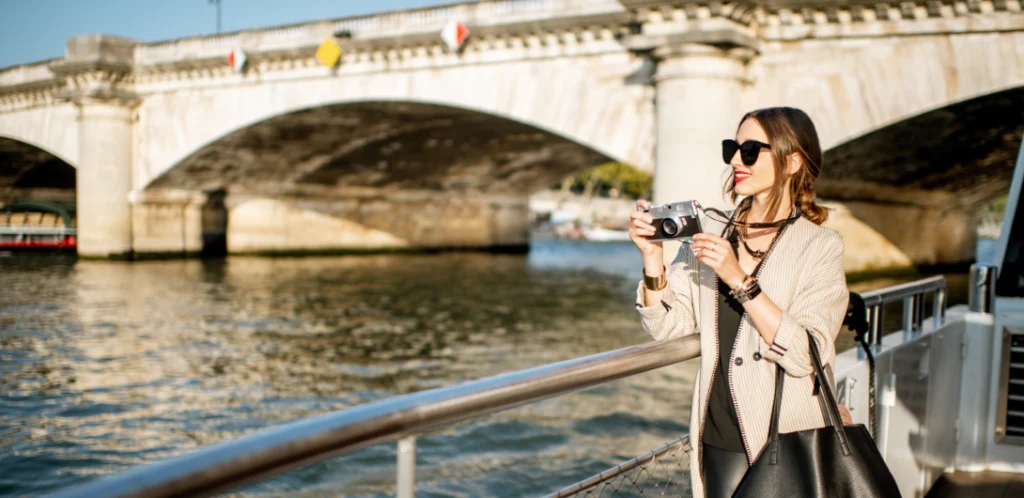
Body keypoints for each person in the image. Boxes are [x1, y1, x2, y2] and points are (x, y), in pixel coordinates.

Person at [629, 107, 850, 498]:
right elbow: (667, 327)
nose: (735, 160)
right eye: (732, 148)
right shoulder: (710, 231)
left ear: (792, 161)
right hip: (717, 434)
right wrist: (652, 259)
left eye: (750, 150)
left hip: (787, 436)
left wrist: (739, 279)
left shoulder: (820, 246)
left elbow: (806, 355)